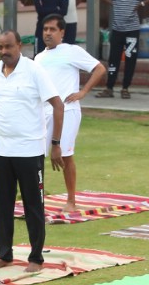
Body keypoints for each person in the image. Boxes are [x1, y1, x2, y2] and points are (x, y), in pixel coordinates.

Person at [0, 30, 64, 272]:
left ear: (19, 45)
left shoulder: (33, 70)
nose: (4, 51)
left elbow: (57, 105)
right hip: (1, 150)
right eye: (0, 47)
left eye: (9, 46)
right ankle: (5, 254)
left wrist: (55, 144)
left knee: (33, 205)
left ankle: (36, 258)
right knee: (4, 204)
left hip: (30, 150)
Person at [35, 15, 106, 212]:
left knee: (65, 154)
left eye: (52, 29)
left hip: (68, 110)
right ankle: (36, 198)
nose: (48, 33)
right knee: (36, 156)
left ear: (62, 32)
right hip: (44, 112)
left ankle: (71, 200)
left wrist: (83, 92)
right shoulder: (39, 58)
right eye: (45, 29)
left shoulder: (72, 51)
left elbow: (99, 69)